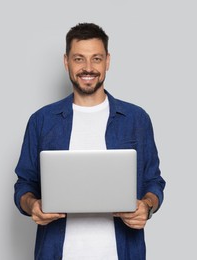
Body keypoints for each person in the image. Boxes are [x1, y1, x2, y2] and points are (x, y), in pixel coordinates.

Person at [14, 22, 166, 260]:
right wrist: (32, 205)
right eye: (78, 59)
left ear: (108, 61)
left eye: (96, 59)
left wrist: (147, 206)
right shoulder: (41, 120)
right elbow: (24, 185)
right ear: (66, 62)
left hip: (123, 252)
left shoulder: (136, 119)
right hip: (57, 253)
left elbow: (153, 182)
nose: (88, 68)